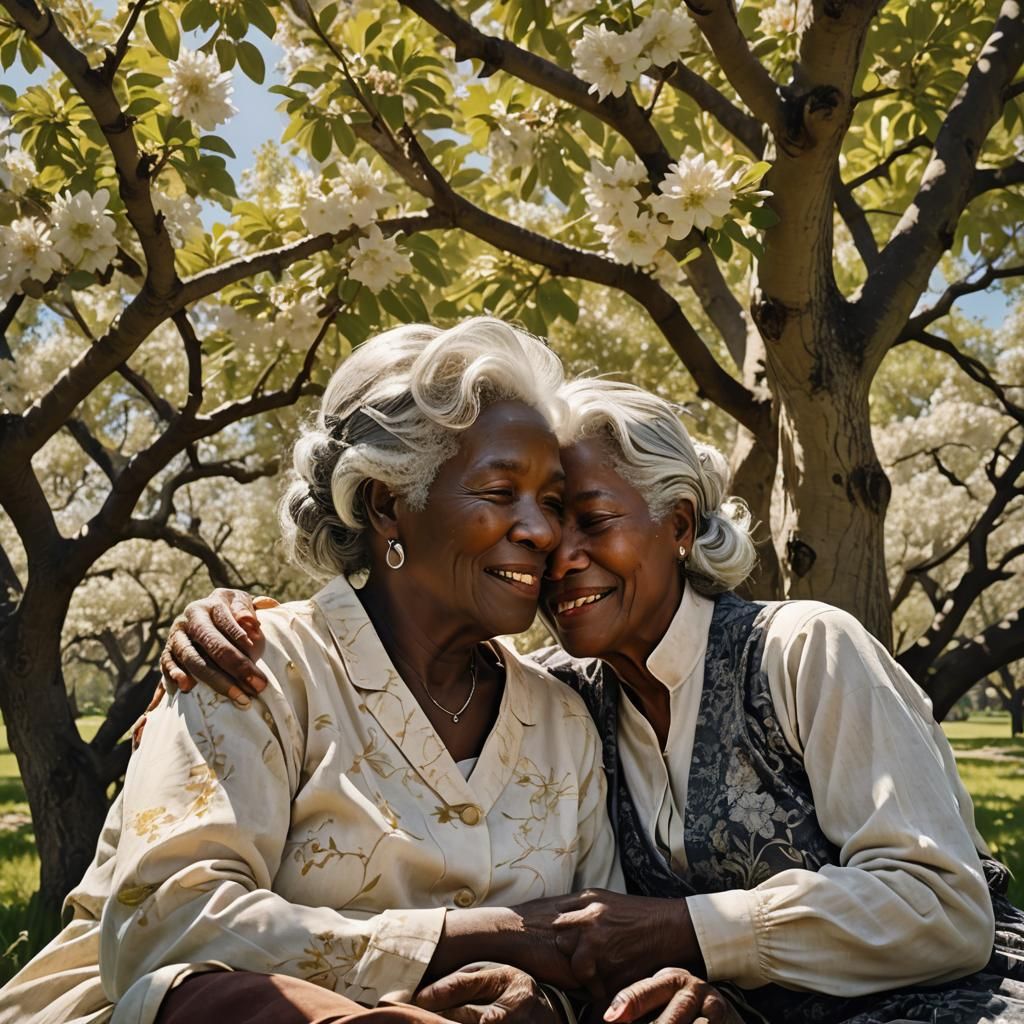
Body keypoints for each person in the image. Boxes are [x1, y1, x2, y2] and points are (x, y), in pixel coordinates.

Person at [165, 377, 1024, 1023]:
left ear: (680, 524)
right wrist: (232, 636)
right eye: (537, 514)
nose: (552, 550)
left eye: (590, 518)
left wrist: (689, 929)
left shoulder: (802, 650)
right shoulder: (568, 701)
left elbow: (943, 910)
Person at [0, 319, 637, 1024]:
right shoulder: (251, 665)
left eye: (550, 501)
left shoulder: (562, 718)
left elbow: (591, 952)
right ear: (387, 505)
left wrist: (540, 997)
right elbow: (166, 925)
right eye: (499, 492)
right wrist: (472, 940)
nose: (543, 531)